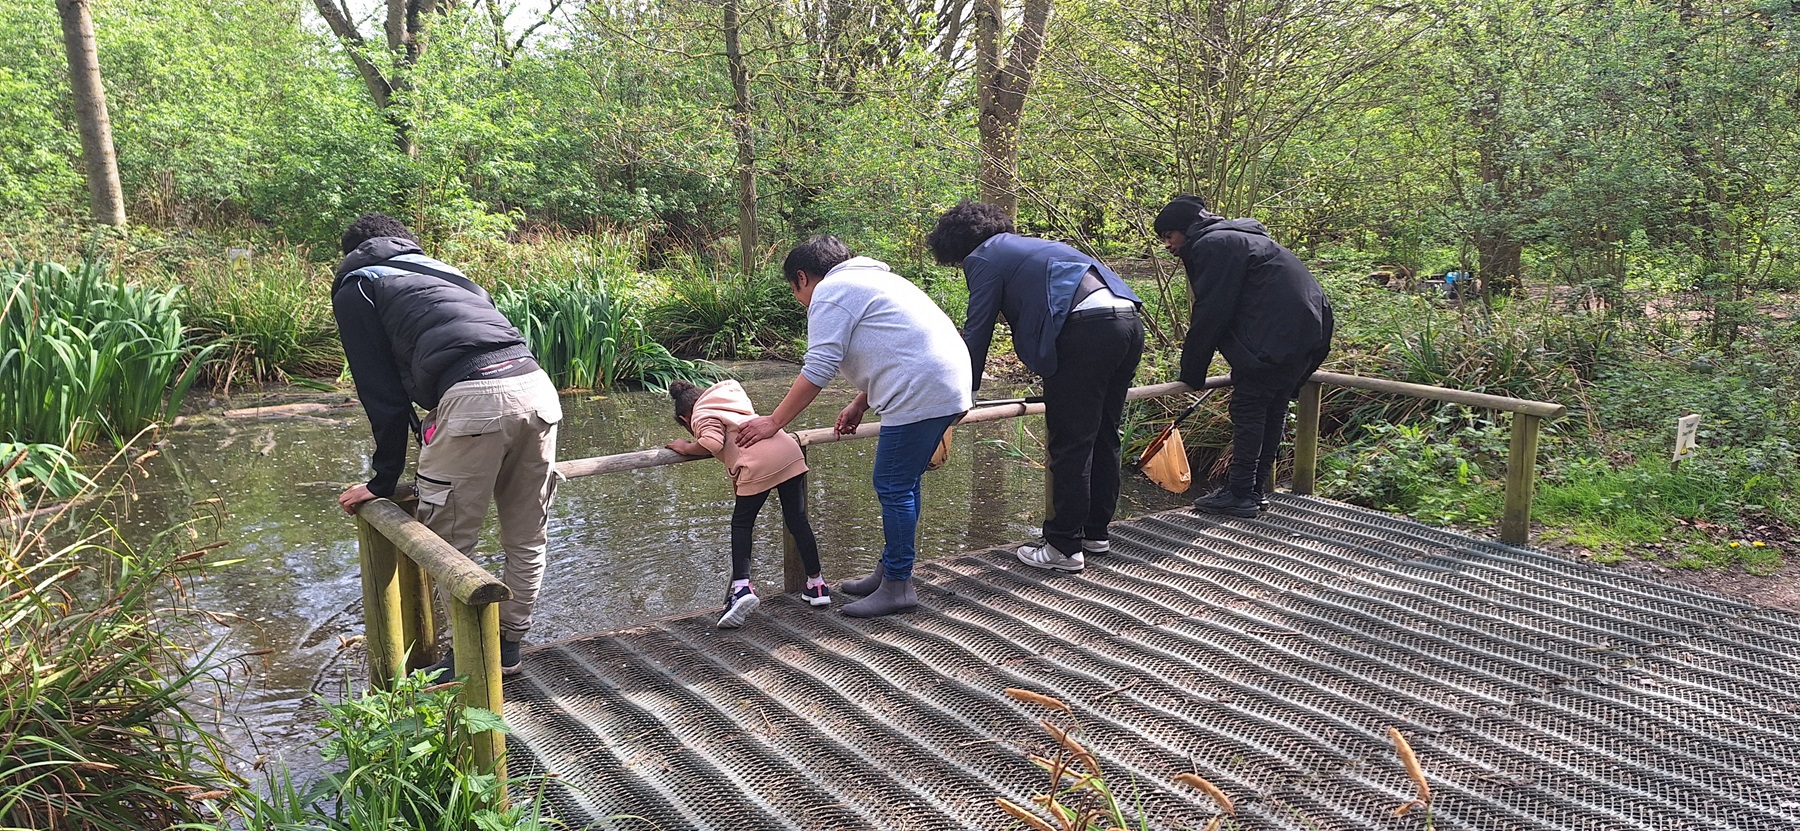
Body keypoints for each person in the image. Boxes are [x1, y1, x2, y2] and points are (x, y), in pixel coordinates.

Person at [331, 213, 562, 676]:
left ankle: (469, 663)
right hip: (537, 388)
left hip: (474, 398)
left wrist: (383, 481)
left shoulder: (358, 285)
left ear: (353, 251)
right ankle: (510, 646)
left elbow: (381, 392)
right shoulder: (447, 272)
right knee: (527, 534)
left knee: (448, 544)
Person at [736, 235, 972, 618]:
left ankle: (898, 585)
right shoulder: (876, 280)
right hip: (948, 384)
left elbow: (818, 368)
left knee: (893, 485)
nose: (800, 300)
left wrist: (772, 422)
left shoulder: (831, 291)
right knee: (905, 483)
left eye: (795, 290)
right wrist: (861, 401)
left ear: (802, 278)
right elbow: (893, 344)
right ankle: (889, 571)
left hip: (919, 392)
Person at [925, 200, 1144, 575]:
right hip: (1127, 320)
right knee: (1103, 432)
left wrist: (965, 394)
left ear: (955, 243)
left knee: (1071, 440)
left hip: (1086, 331)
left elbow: (978, 330)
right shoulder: (1030, 246)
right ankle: (1095, 532)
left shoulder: (985, 257)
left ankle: (1062, 546)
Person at [1155, 194, 1333, 518]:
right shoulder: (1244, 239)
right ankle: (1253, 490)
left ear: (1185, 229)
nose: (1167, 245)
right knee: (1273, 407)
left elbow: (1211, 311)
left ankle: (1240, 493)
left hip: (1276, 341)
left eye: (1168, 236)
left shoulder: (1213, 245)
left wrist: (1191, 373)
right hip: (1308, 334)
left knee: (1250, 408)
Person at [666, 379, 831, 628]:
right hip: (787, 451)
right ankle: (817, 586)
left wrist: (687, 447)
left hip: (758, 464)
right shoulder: (731, 401)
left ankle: (742, 588)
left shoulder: (700, 413)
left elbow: (711, 443)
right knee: (797, 520)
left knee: (742, 524)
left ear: (685, 419)